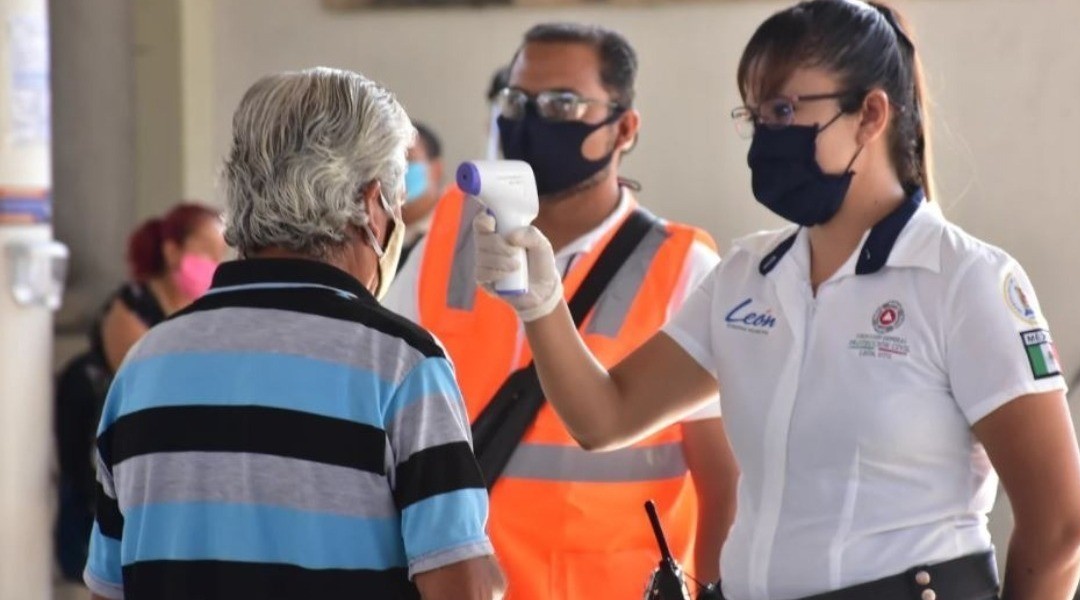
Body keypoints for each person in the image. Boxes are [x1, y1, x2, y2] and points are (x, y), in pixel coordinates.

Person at [472, 2, 1080, 599]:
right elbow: (605, 417)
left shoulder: (963, 281)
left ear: (871, 115)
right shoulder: (748, 276)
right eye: (756, 115)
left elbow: (1061, 523)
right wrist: (541, 301)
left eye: (784, 109)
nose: (766, 135)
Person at [83, 67, 505, 600]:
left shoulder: (145, 366)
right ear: (371, 204)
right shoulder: (402, 366)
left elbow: (108, 590)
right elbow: (461, 589)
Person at [384, 22, 738, 599]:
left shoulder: (683, 267)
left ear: (623, 127)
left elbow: (723, 482)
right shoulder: (449, 236)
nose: (530, 119)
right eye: (516, 100)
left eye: (562, 104)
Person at [53, 202, 224, 582]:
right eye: (205, 252)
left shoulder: (201, 311)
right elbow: (149, 390)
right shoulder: (129, 311)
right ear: (172, 250)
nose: (213, 263)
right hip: (104, 451)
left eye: (219, 254)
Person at [398, 121, 445, 265]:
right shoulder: (374, 232)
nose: (398, 171)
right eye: (392, 162)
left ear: (436, 170)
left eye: (408, 161)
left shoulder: (456, 230)